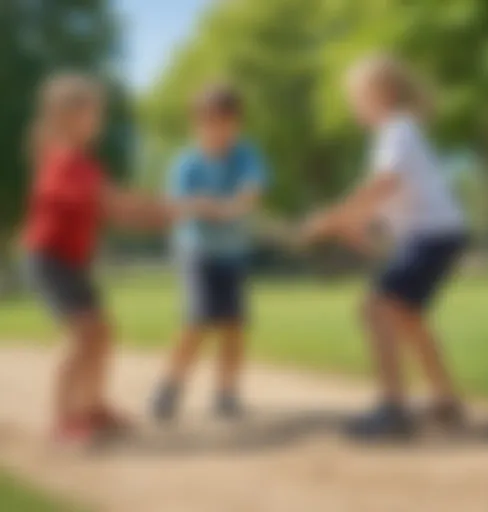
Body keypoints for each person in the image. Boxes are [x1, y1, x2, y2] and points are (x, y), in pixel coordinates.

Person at [22, 73, 199, 446]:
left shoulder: (83, 163)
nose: (98, 120)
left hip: (68, 260)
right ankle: (64, 417)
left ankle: (92, 406)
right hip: (50, 258)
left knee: (101, 334)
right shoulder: (65, 161)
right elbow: (114, 203)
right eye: (91, 112)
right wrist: (171, 208)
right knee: (84, 336)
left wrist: (165, 214)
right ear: (66, 115)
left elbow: (116, 212)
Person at [302, 55, 468, 439]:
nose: (353, 104)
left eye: (358, 95)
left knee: (376, 309)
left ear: (385, 94)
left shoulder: (398, 129)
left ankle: (393, 409)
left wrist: (334, 215)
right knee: (407, 315)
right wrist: (352, 226)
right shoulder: (395, 134)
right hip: (436, 233)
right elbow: (389, 201)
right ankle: (445, 399)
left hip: (432, 234)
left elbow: (384, 184)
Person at [151, 84, 268, 421]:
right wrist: (207, 207)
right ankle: (169, 387)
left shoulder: (246, 154)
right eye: (209, 122)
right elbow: (178, 205)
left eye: (225, 122)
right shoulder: (187, 163)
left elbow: (250, 192)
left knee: (233, 323)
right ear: (197, 124)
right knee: (198, 320)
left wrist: (232, 207)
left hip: (233, 252)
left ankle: (226, 392)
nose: (218, 130)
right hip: (197, 250)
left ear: (236, 123)